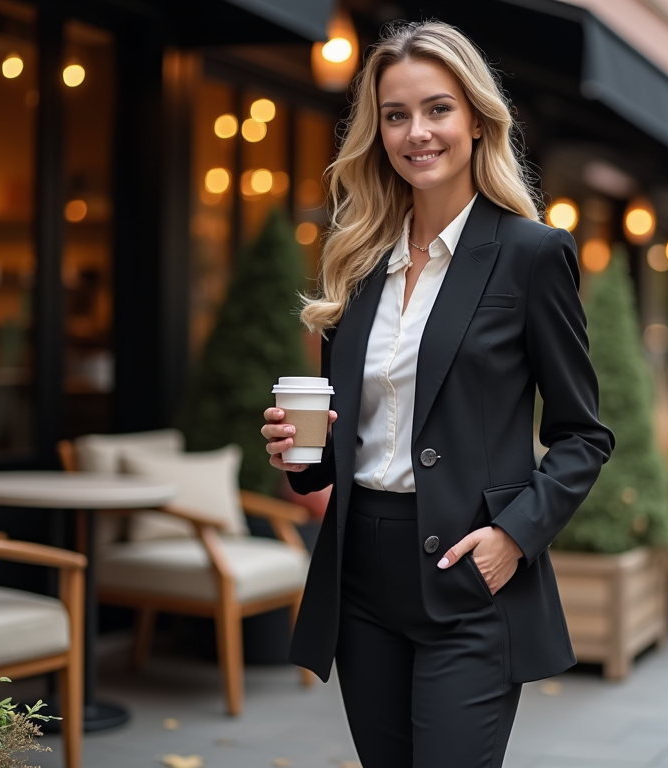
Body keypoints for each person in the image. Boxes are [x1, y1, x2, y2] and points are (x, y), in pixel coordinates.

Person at [261, 20, 613, 768]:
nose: (416, 132)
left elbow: (584, 434)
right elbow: (339, 451)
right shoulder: (356, 262)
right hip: (361, 580)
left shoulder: (530, 254)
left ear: (479, 121)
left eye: (437, 109)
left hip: (469, 581)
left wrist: (514, 537)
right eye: (395, 115)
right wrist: (299, 456)